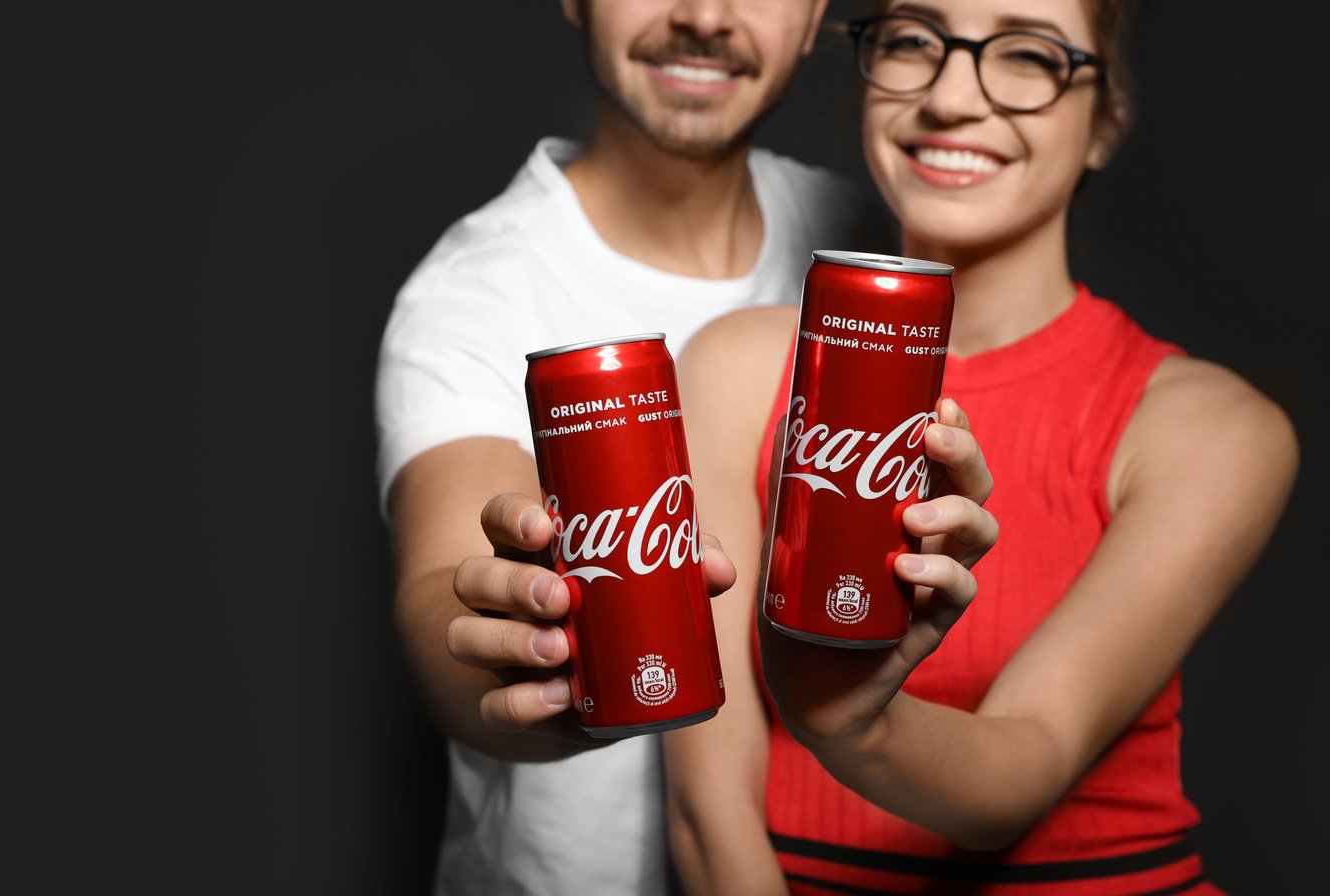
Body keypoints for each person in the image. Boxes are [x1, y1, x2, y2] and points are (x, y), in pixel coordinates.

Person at [663, 0, 1300, 894]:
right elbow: (707, 813)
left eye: (1028, 54)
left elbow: (1020, 769)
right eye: (915, 40)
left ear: (1105, 121)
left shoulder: (1212, 428)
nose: (952, 95)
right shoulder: (736, 367)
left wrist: (849, 721)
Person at [373, 1, 898, 892]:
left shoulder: (859, 240)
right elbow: (441, 587)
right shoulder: (473, 290)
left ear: (814, 17)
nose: (704, 16)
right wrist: (537, 669)